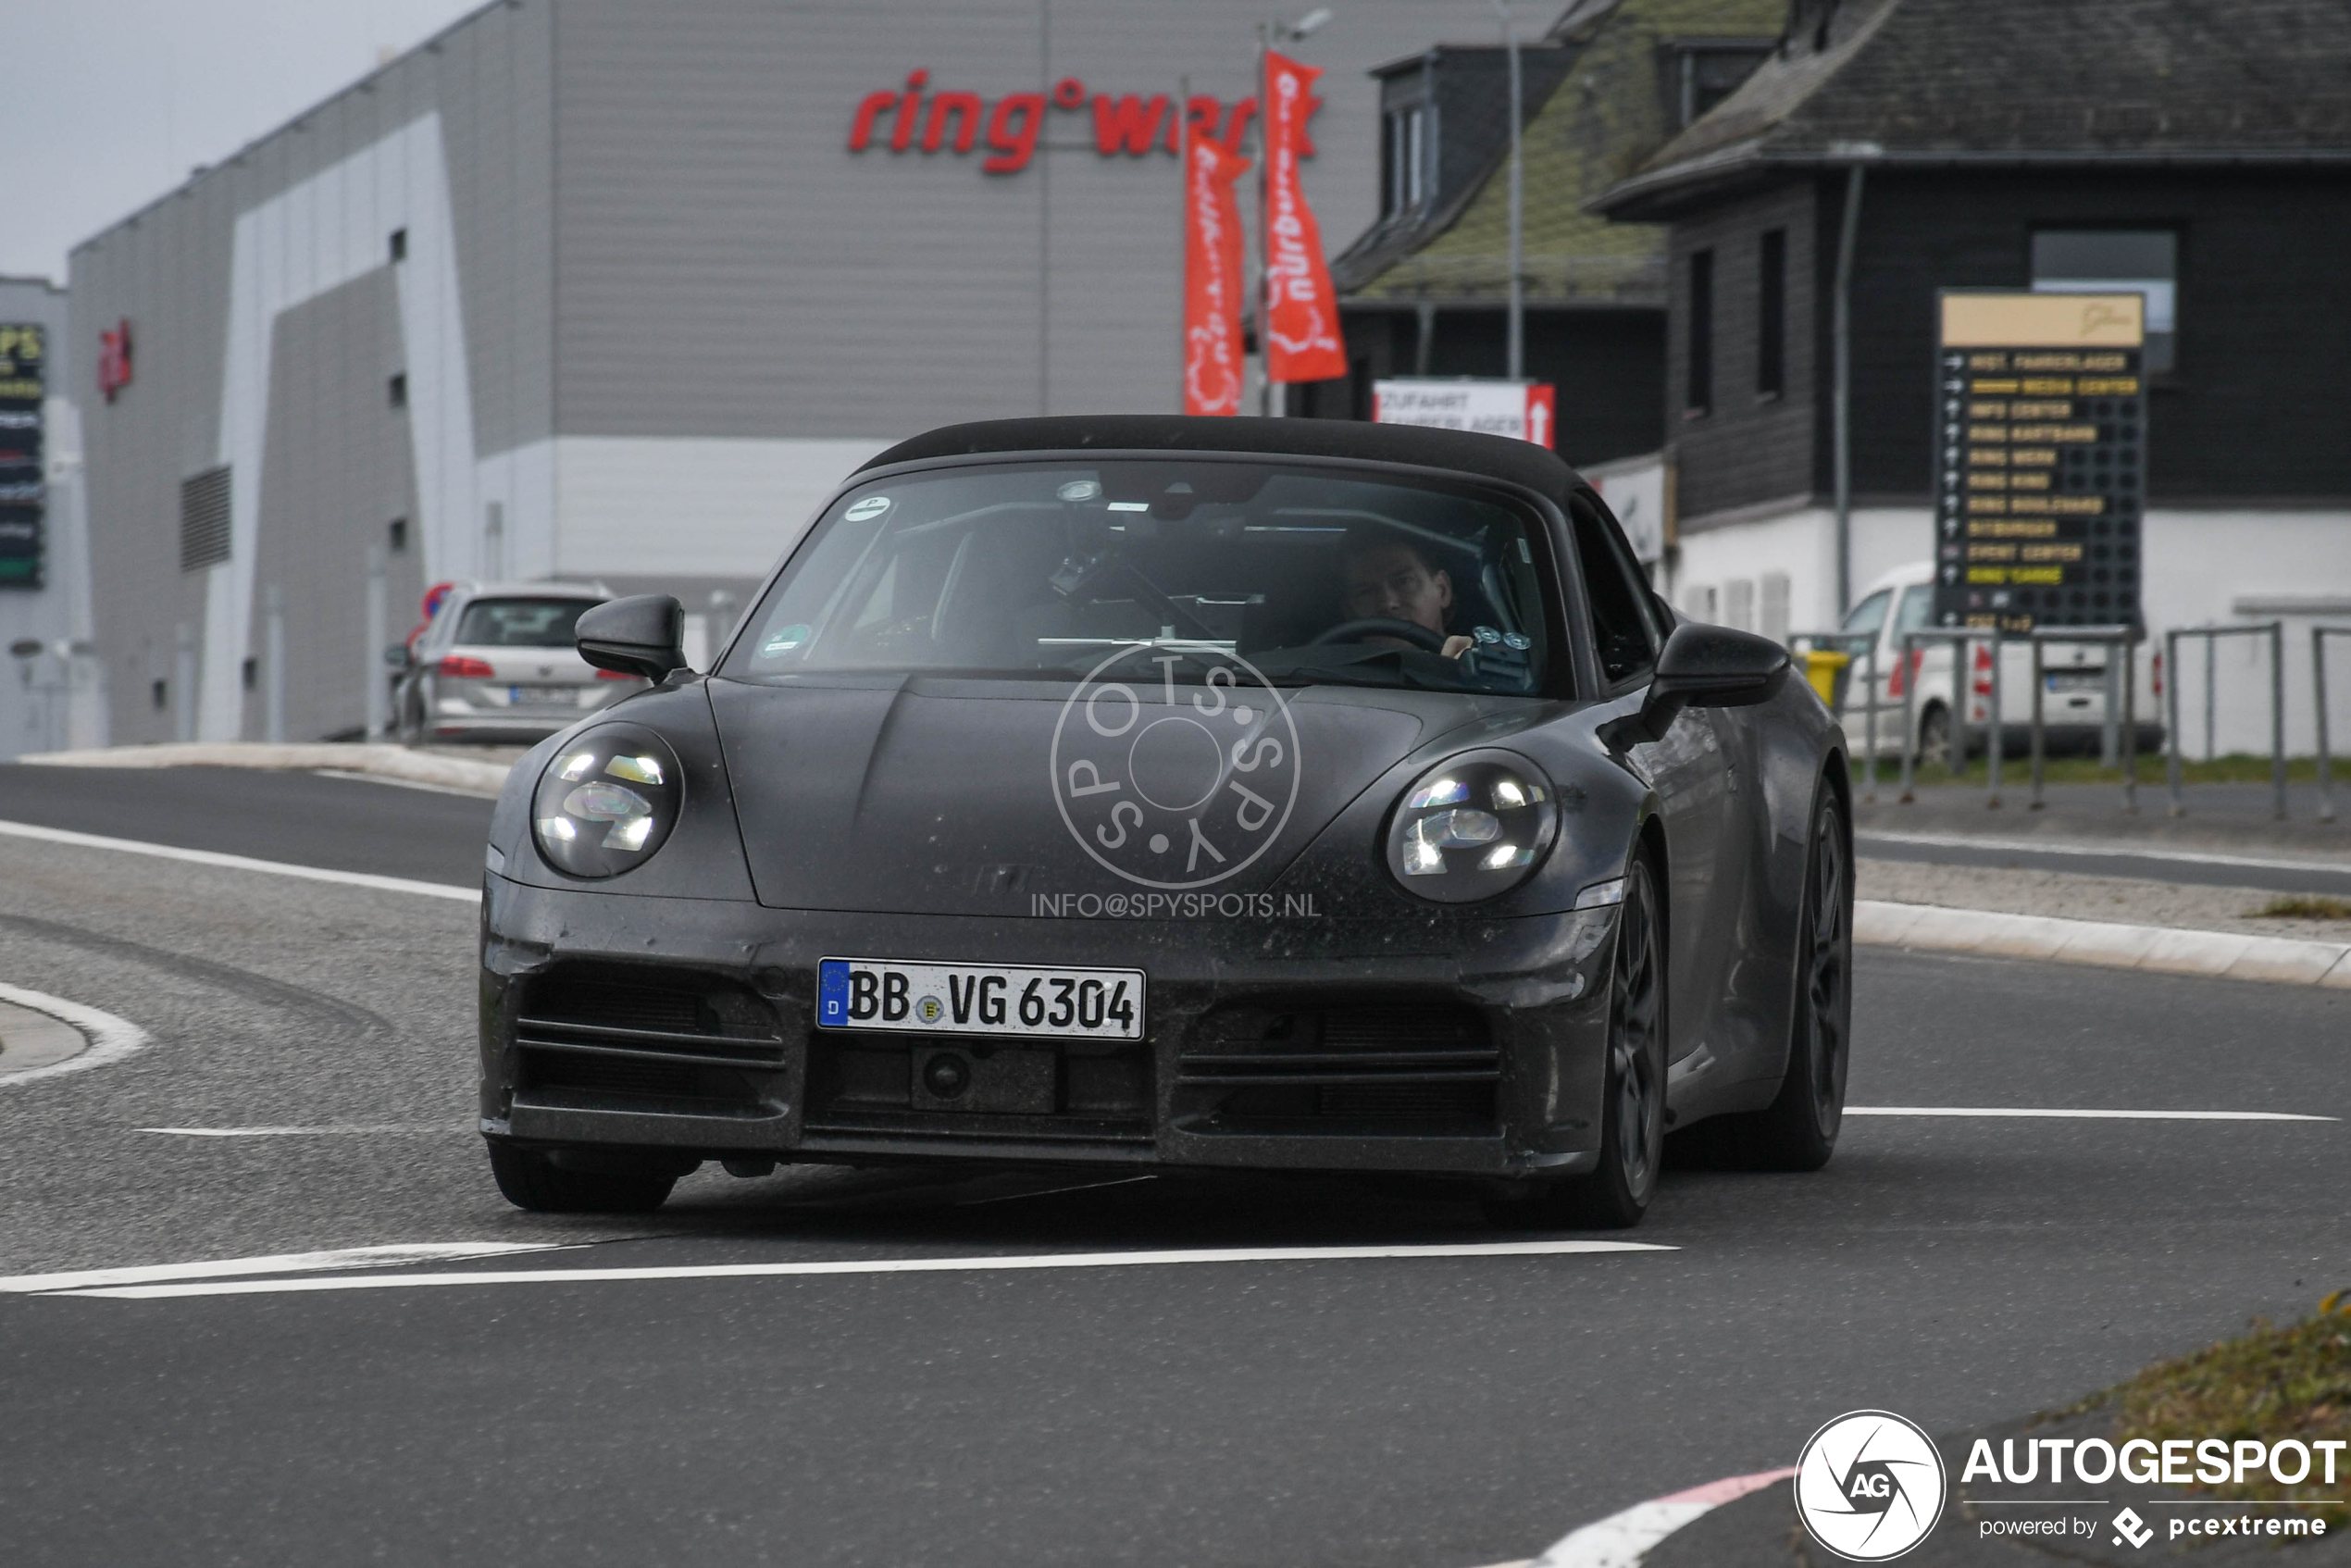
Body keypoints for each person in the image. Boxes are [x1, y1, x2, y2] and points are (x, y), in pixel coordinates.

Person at [1337, 534, 1474, 660]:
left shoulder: (1482, 668)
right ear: (1349, 612)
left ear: (1442, 590)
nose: (1388, 603)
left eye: (1404, 581)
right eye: (1365, 592)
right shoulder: (1330, 674)